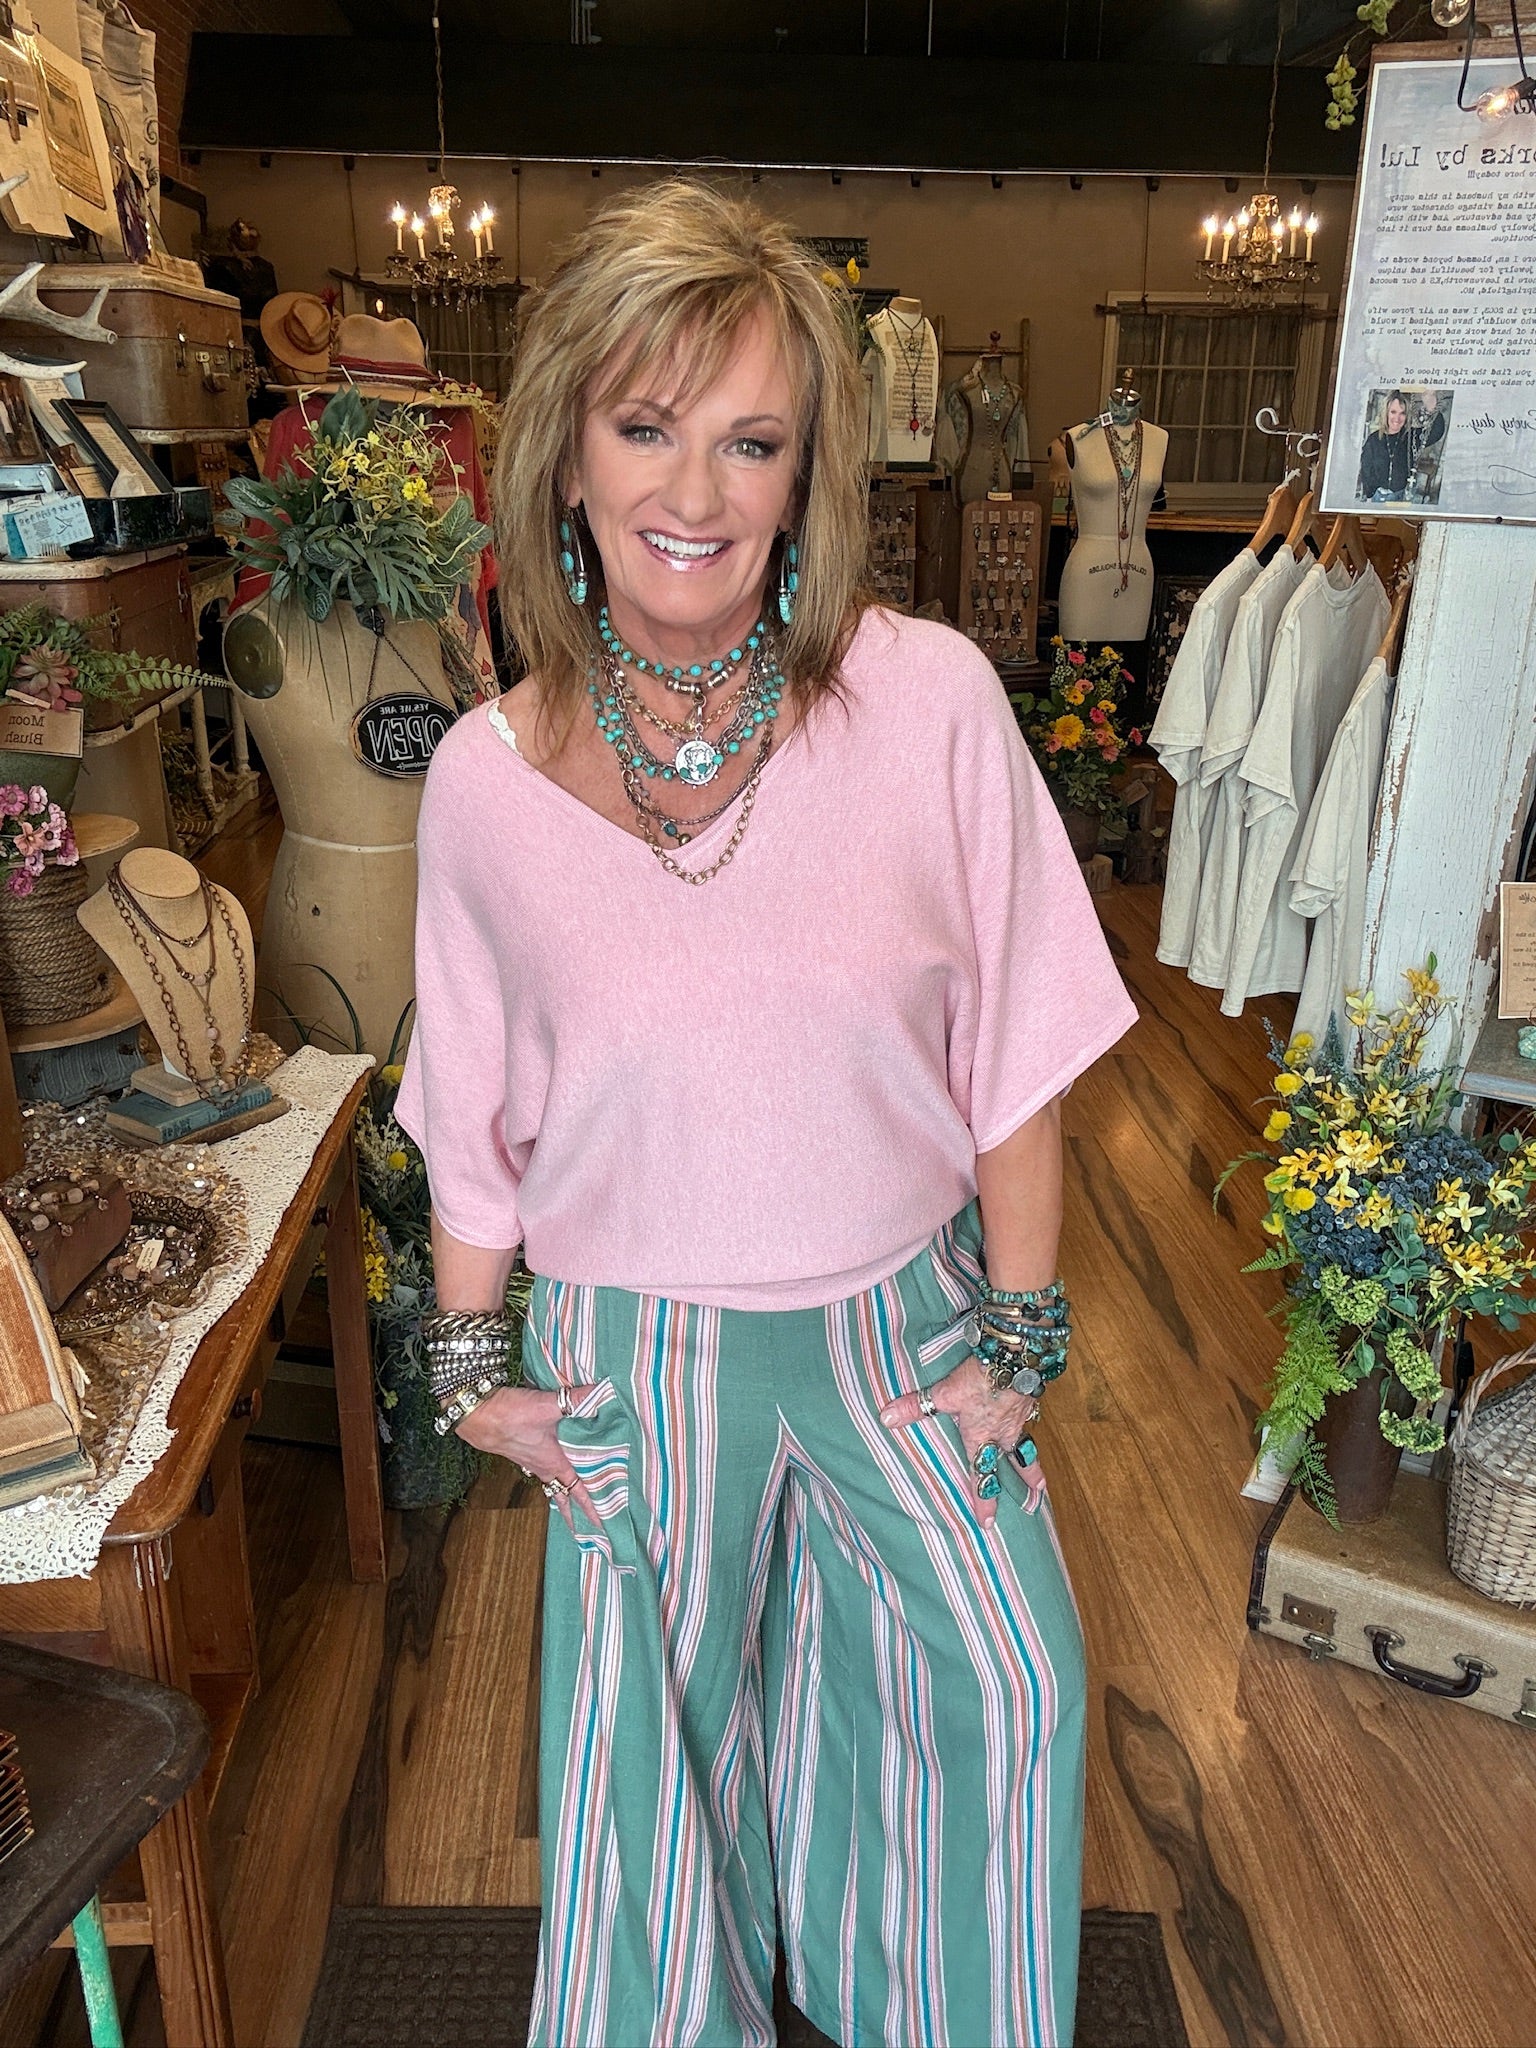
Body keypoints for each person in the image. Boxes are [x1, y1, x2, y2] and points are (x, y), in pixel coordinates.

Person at [396, 178, 1136, 2048]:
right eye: (647, 427)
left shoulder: (931, 701)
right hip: (635, 1351)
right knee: (652, 1795)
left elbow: (1017, 1052)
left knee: (1013, 1692)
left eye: (752, 441)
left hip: (903, 1323)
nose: (697, 493)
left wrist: (1021, 1332)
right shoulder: (484, 783)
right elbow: (472, 1109)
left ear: (808, 475)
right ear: (567, 451)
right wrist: (467, 1368)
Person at [1358, 390, 1411, 501]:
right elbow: (1366, 469)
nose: (1397, 418)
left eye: (1402, 413)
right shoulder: (1373, 440)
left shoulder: (1409, 437)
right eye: (1393, 412)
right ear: (1386, 413)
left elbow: (1436, 431)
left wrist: (1430, 403)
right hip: (1378, 496)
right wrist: (1372, 492)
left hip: (1400, 496)